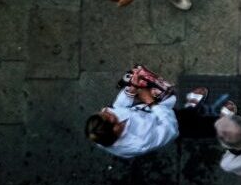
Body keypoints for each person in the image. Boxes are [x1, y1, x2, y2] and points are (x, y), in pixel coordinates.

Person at [86, 66, 227, 159]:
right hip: (164, 124)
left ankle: (190, 109)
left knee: (179, 113)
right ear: (115, 129)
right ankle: (222, 126)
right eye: (111, 116)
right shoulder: (140, 143)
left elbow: (118, 108)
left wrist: (131, 91)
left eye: (105, 112)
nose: (109, 111)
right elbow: (170, 128)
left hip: (150, 113)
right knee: (191, 127)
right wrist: (150, 101)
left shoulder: (103, 126)